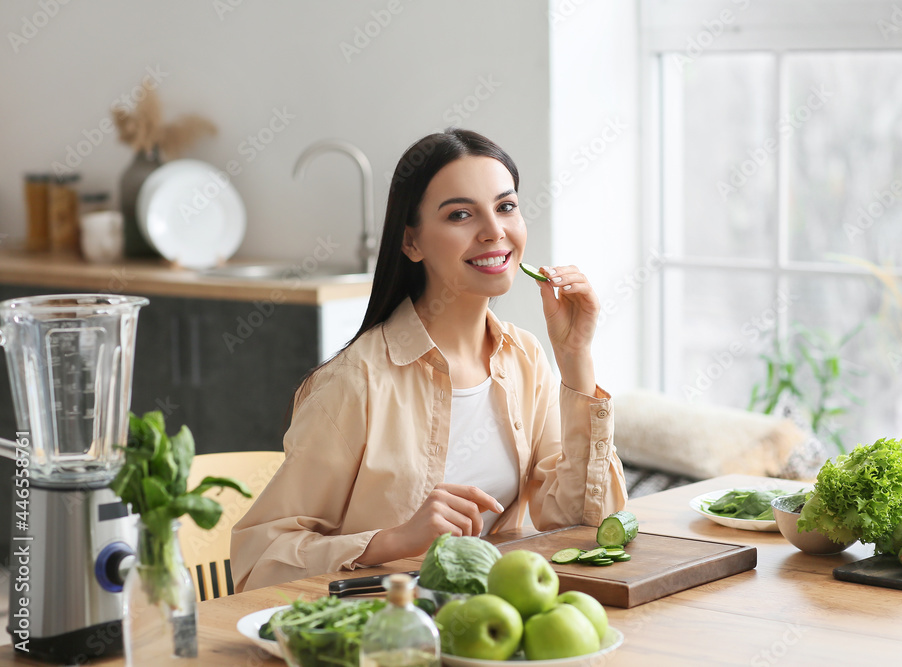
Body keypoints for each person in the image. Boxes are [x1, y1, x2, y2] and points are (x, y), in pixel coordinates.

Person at [231, 129, 627, 592]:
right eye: (461, 214)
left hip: (491, 620)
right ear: (411, 243)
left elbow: (587, 526)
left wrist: (575, 358)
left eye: (506, 207)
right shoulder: (354, 382)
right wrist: (395, 540)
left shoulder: (526, 359)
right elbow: (258, 563)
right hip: (385, 634)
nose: (494, 231)